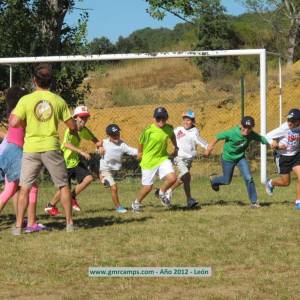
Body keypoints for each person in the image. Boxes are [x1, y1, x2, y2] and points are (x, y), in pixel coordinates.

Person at [10, 63, 77, 235]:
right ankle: (69, 224)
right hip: (51, 147)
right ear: (51, 82)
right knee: (63, 186)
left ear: (34, 81)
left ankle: (18, 227)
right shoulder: (58, 100)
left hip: (31, 148)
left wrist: (27, 123)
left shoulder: (25, 100)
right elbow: (72, 125)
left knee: (24, 188)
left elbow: (13, 122)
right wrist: (74, 126)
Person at [0, 87, 45, 233]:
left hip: (9, 151)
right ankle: (32, 223)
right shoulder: (22, 114)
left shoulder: (13, 113)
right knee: (32, 187)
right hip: (17, 153)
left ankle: (30, 222)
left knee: (9, 189)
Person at [45, 105, 102, 215]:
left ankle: (72, 197)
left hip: (74, 161)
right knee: (64, 188)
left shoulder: (83, 130)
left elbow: (95, 139)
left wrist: (100, 146)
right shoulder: (70, 129)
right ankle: (50, 206)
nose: (84, 120)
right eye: (82, 117)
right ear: (75, 117)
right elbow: (66, 144)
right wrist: (81, 151)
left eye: (86, 117)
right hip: (65, 161)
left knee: (89, 178)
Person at [205, 116, 269, 208]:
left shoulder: (251, 134)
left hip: (240, 158)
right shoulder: (232, 133)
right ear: (240, 125)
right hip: (227, 159)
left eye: (249, 128)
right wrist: (209, 148)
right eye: (245, 127)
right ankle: (214, 180)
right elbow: (218, 136)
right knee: (227, 181)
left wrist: (273, 144)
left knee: (249, 178)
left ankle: (254, 202)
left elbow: (262, 139)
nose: (246, 130)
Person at [131, 107, 178, 212]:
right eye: (158, 118)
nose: (161, 120)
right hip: (149, 161)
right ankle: (136, 203)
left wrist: (176, 147)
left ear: (167, 118)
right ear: (154, 118)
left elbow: (172, 136)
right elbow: (141, 141)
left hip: (162, 158)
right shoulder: (148, 131)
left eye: (163, 118)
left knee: (172, 178)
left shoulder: (168, 129)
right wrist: (139, 152)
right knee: (148, 187)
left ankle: (161, 193)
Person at [167, 110, 208, 208]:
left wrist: (207, 147)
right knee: (186, 175)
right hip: (179, 157)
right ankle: (168, 192)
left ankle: (188, 200)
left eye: (188, 120)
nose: (186, 122)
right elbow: (169, 135)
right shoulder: (178, 129)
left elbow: (200, 141)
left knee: (184, 179)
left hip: (189, 160)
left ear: (193, 121)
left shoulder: (195, 131)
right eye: (184, 119)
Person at [265, 108, 300, 209]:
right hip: (283, 157)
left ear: (298, 121)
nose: (290, 122)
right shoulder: (284, 128)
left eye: (293, 121)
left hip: (296, 155)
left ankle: (298, 203)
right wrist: (276, 145)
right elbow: (267, 136)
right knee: (286, 182)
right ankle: (270, 183)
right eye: (289, 119)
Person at [100, 124, 138, 213]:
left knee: (111, 184)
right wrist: (99, 147)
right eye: (113, 135)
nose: (116, 136)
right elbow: (97, 145)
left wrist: (142, 152)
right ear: (108, 136)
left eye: (118, 134)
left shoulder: (122, 144)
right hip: (105, 169)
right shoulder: (104, 142)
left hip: (114, 170)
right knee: (114, 188)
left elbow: (132, 151)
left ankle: (104, 180)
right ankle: (118, 207)